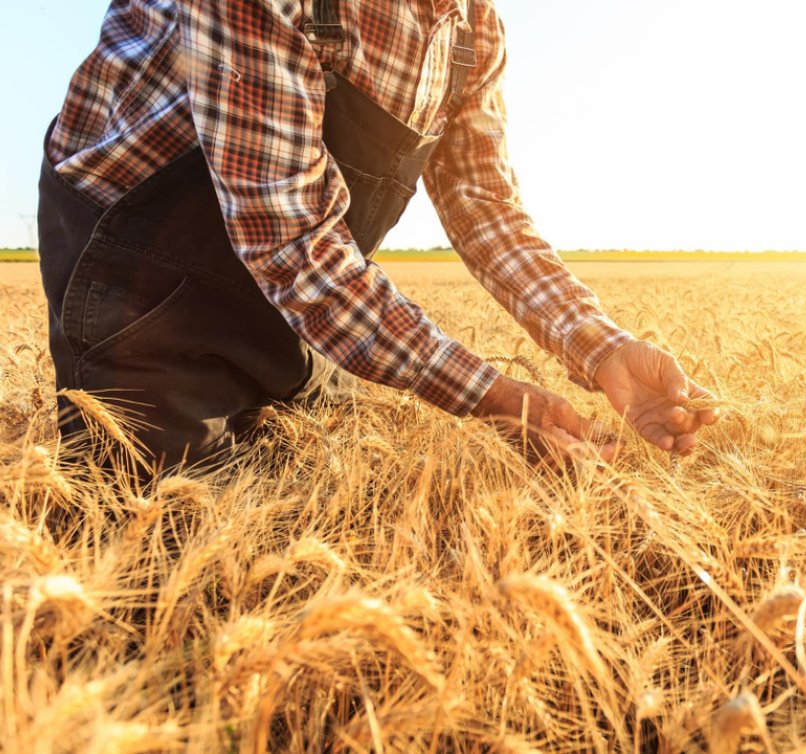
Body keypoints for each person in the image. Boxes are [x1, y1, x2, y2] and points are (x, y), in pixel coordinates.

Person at [38, 0, 718, 469]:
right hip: (138, 282)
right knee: (167, 543)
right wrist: (498, 400)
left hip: (294, 298)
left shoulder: (471, 30)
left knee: (312, 469)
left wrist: (603, 349)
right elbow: (292, 242)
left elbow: (485, 206)